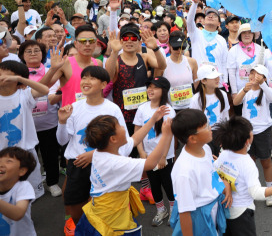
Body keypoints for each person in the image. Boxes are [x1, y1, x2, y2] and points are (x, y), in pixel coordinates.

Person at [74, 107, 173, 235]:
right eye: (119, 126)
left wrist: (153, 119)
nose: (123, 127)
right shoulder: (116, 163)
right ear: (113, 139)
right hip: (112, 219)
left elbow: (136, 139)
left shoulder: (102, 152)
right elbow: (150, 163)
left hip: (102, 211)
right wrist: (166, 135)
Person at [55, 66, 130, 227]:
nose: (86, 82)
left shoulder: (112, 109)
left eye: (92, 78)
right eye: (84, 77)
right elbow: (62, 141)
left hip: (104, 166)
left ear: (104, 84)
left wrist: (95, 155)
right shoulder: (74, 108)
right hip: (77, 165)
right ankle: (81, 228)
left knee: (103, 208)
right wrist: (61, 122)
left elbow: (125, 143)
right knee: (75, 206)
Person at [211, 116, 272, 235]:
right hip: (242, 214)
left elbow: (215, 174)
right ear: (247, 141)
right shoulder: (247, 163)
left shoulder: (224, 154)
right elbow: (256, 193)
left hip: (224, 209)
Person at [18, 41, 64, 197]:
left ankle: (52, 182)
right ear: (22, 55)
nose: (32, 53)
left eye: (36, 50)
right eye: (28, 51)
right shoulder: (18, 74)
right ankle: (28, 187)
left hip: (49, 122)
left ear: (43, 54)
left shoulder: (51, 71)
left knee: (50, 155)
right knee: (27, 158)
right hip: (26, 125)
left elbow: (53, 89)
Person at [0, 60, 49, 200]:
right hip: (2, 153)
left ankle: (24, 217)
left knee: (27, 193)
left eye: (7, 76)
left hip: (25, 151)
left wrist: (21, 79)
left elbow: (44, 90)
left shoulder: (24, 94)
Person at [133, 76, 177, 226]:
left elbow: (169, 135)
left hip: (165, 157)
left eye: (155, 87)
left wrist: (163, 156)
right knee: (154, 185)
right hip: (148, 157)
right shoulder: (142, 108)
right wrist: (141, 151)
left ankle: (173, 211)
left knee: (169, 185)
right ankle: (161, 210)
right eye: (149, 87)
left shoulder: (168, 110)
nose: (150, 90)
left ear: (163, 91)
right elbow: (137, 130)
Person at [232, 65, 272, 206]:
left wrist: (263, 84)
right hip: (247, 131)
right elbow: (235, 102)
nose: (253, 76)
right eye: (252, 73)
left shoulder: (265, 90)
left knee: (266, 161)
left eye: (258, 74)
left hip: (263, 131)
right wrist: (244, 90)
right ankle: (251, 190)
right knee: (250, 163)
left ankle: (270, 191)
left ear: (264, 78)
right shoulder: (245, 89)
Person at [190, 65, 233, 153]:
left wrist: (227, 133)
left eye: (217, 76)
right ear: (203, 81)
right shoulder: (195, 99)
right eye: (213, 77)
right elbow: (193, 122)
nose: (217, 79)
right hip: (204, 134)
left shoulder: (223, 94)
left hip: (220, 133)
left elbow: (225, 116)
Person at [187, 0, 229, 76]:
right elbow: (189, 21)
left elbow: (224, 63)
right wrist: (195, 4)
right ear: (204, 20)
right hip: (199, 81)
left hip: (216, 81)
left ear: (219, 23)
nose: (210, 16)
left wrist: (224, 81)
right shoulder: (196, 33)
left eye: (214, 16)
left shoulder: (222, 40)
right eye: (208, 15)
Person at [0, 147, 38, 236]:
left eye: (8, 161)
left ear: (22, 171)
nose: (1, 164)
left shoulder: (23, 187)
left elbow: (18, 213)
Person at [164, 32, 198, 111]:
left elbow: (197, 85)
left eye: (182, 47)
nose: (179, 50)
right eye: (175, 47)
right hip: (172, 108)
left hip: (190, 106)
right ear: (169, 45)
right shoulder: (164, 64)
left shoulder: (192, 62)